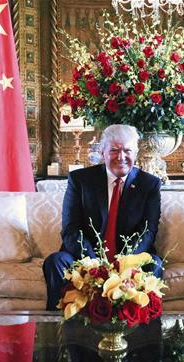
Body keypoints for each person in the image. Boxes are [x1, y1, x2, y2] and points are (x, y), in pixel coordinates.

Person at [43, 124, 162, 310]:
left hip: (130, 259)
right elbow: (71, 228)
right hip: (84, 258)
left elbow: (148, 231)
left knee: (155, 264)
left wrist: (123, 263)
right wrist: (94, 265)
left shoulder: (149, 184)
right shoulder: (80, 180)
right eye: (114, 150)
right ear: (102, 151)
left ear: (136, 152)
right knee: (55, 262)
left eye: (127, 150)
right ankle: (59, 331)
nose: (121, 157)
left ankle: (146, 334)